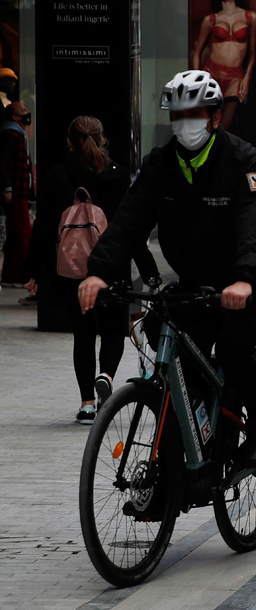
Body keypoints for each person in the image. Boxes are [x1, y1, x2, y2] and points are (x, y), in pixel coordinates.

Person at [79, 70, 256, 468]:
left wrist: (243, 279)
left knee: (231, 346)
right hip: (197, 282)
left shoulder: (244, 161)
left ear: (214, 116)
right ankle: (183, 457)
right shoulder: (160, 164)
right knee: (167, 343)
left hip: (251, 281)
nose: (184, 122)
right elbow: (128, 221)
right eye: (176, 114)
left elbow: (255, 227)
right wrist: (98, 272)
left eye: (194, 113)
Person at [23, 117, 158, 424]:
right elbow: (131, 228)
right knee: (113, 329)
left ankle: (86, 404)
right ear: (103, 139)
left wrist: (30, 270)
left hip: (72, 270)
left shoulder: (55, 176)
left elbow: (43, 228)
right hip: (112, 266)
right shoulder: (119, 176)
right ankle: (107, 377)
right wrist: (149, 271)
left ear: (69, 142)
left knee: (82, 334)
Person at [190, 0, 256, 130]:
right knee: (207, 127)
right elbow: (197, 52)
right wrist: (197, 80)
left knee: (223, 129)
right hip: (212, 73)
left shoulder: (250, 17)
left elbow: (252, 53)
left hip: (235, 77)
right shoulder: (211, 20)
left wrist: (246, 78)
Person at [0, 99, 32, 285]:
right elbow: (3, 162)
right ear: (15, 116)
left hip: (19, 190)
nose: (27, 112)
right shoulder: (11, 134)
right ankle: (20, 274)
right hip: (16, 191)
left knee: (16, 233)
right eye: (23, 110)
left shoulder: (15, 133)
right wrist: (8, 187)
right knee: (22, 233)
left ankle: (12, 275)